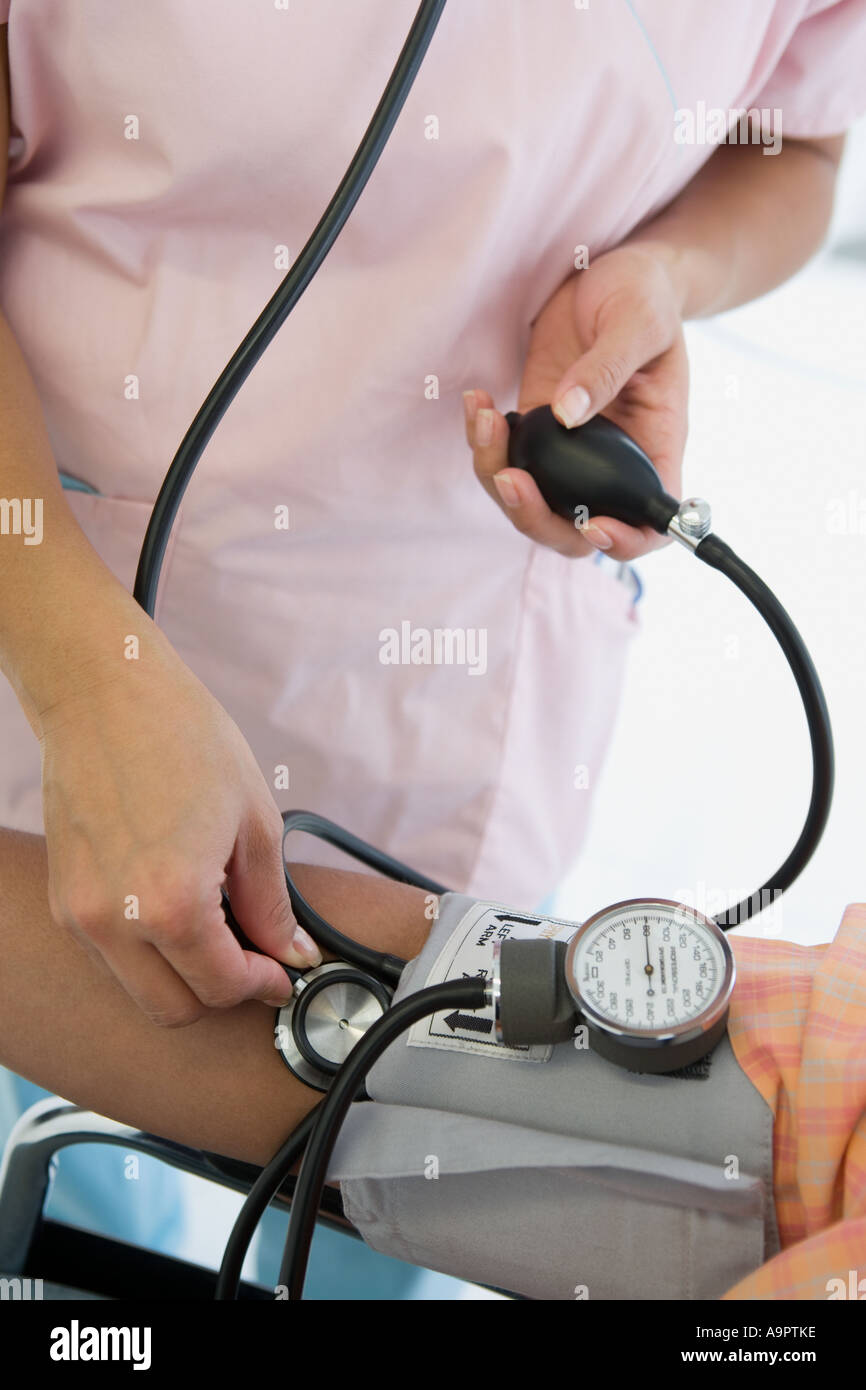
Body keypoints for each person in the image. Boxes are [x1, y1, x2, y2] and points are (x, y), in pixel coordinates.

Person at [1, 1, 865, 1293]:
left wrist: (668, 270)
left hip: (463, 681)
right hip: (60, 593)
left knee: (400, 1206)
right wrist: (77, 666)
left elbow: (789, 148)